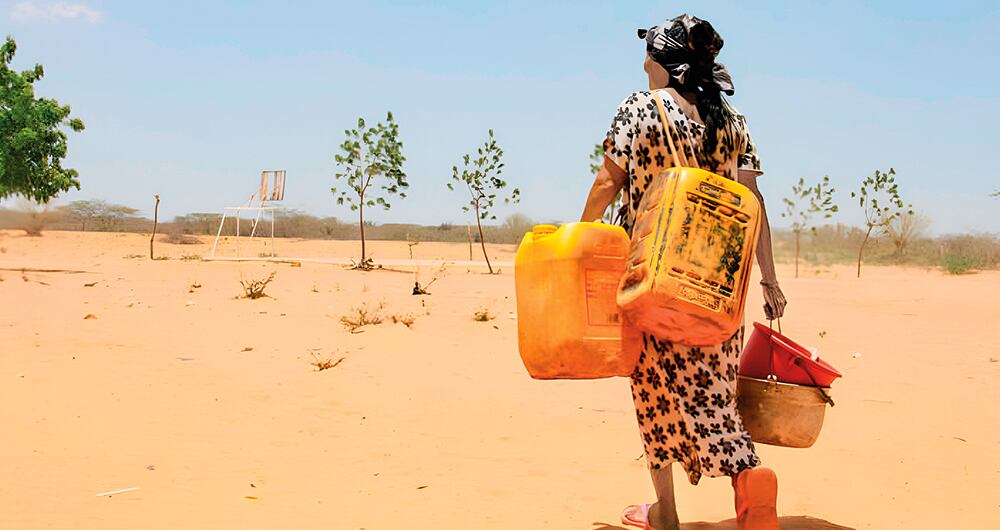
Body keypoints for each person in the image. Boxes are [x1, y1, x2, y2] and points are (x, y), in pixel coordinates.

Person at [580, 14, 788, 530]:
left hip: (651, 282)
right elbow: (754, 202)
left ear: (665, 62)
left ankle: (666, 513)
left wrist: (581, 241)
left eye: (649, 53)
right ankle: (747, 476)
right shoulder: (732, 121)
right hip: (719, 289)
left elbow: (609, 182)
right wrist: (769, 280)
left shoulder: (639, 109)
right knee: (715, 393)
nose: (643, 62)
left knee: (654, 393)